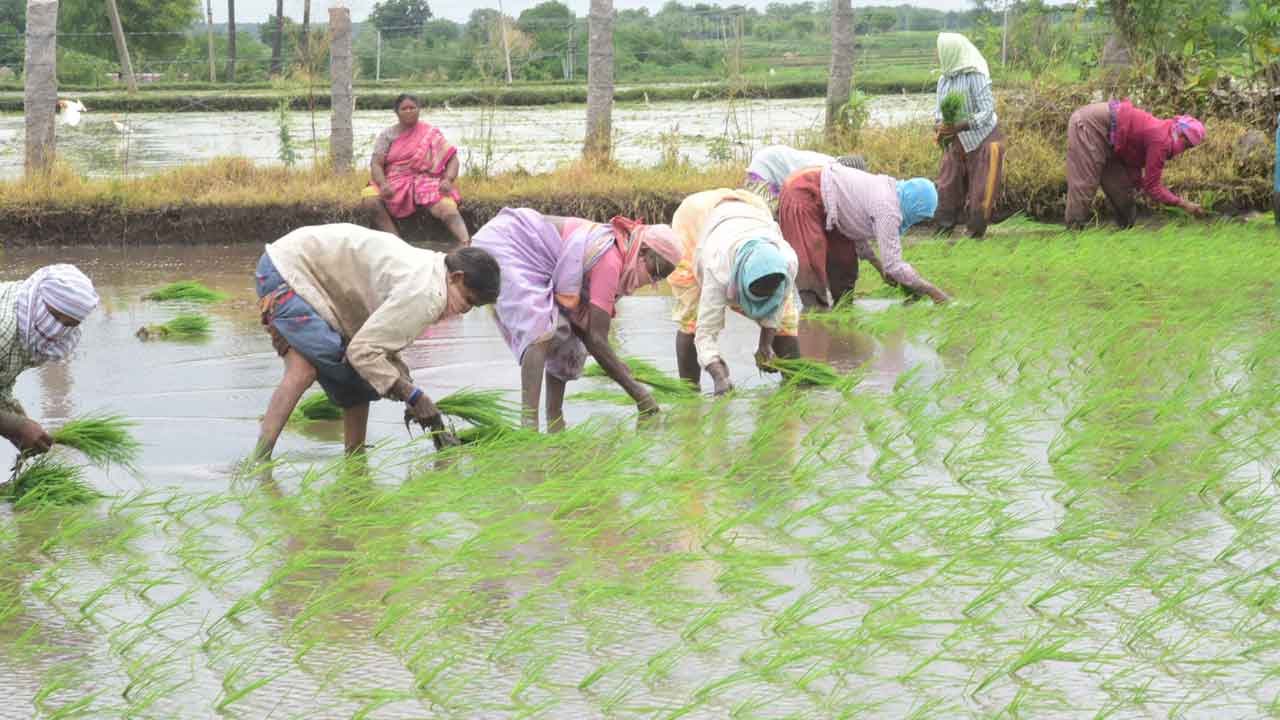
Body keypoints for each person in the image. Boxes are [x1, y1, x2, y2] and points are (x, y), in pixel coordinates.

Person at [252, 223, 501, 460]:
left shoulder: (433, 272)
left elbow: (380, 347)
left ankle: (355, 460)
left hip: (310, 277)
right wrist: (414, 397)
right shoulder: (425, 294)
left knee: (354, 380)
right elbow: (362, 352)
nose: (465, 311)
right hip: (289, 272)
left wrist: (409, 391)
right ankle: (259, 462)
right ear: (456, 277)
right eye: (468, 301)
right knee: (306, 371)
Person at [473, 208, 683, 431]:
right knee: (541, 328)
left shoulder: (622, 260)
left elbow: (585, 329)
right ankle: (529, 425)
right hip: (511, 243)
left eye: (661, 278)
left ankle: (554, 418)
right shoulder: (610, 258)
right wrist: (641, 396)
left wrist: (620, 369)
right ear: (643, 251)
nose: (653, 282)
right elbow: (597, 339)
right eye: (656, 271)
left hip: (533, 256)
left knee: (568, 341)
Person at [669, 189, 801, 395]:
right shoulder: (717, 269)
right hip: (697, 218)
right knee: (691, 317)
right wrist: (718, 375)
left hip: (751, 208)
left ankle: (794, 390)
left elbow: (779, 307)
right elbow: (705, 334)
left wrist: (765, 345)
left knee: (787, 320)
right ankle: (689, 393)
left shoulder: (787, 262)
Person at [778, 164, 948, 308]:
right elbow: (894, 265)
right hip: (804, 190)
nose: (918, 221)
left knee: (844, 261)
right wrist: (934, 292)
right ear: (914, 204)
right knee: (811, 260)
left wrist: (878, 266)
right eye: (920, 216)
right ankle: (814, 321)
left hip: (832, 204)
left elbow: (855, 230)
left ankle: (843, 307)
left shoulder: (892, 191)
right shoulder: (887, 208)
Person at [0, 265, 99, 457]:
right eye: (54, 315)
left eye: (69, 324)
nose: (55, 331)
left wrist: (22, 429)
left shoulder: (28, 331)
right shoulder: (4, 327)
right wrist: (17, 426)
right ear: (38, 299)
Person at [1065, 99, 1206, 228]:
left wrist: (1139, 184)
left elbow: (1133, 162)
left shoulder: (1163, 135)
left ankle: (1126, 233)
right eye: (1187, 146)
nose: (1183, 150)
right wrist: (1184, 204)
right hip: (1090, 125)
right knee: (1085, 184)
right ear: (1181, 135)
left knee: (1122, 191)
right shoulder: (1161, 141)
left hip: (1112, 141)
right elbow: (1153, 187)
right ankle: (1073, 233)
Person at [361, 94, 470, 247]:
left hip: (426, 180)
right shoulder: (387, 135)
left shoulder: (430, 133)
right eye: (404, 108)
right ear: (397, 112)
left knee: (446, 207)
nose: (409, 111)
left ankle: (465, 243)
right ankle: (397, 244)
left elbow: (452, 159)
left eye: (412, 108)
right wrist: (383, 184)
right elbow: (376, 163)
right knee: (371, 201)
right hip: (394, 179)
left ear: (419, 110)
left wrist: (448, 180)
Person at [934, 32, 1005, 238]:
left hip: (983, 139)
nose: (936, 55)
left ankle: (975, 232)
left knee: (982, 188)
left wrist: (960, 125)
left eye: (939, 51)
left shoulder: (976, 75)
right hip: (956, 140)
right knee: (948, 181)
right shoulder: (943, 79)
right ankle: (944, 228)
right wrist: (940, 126)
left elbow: (987, 110)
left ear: (952, 52)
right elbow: (938, 110)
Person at [744, 145, 868, 213]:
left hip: (776, 168)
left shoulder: (830, 167)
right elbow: (798, 188)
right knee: (766, 215)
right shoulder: (822, 169)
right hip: (764, 169)